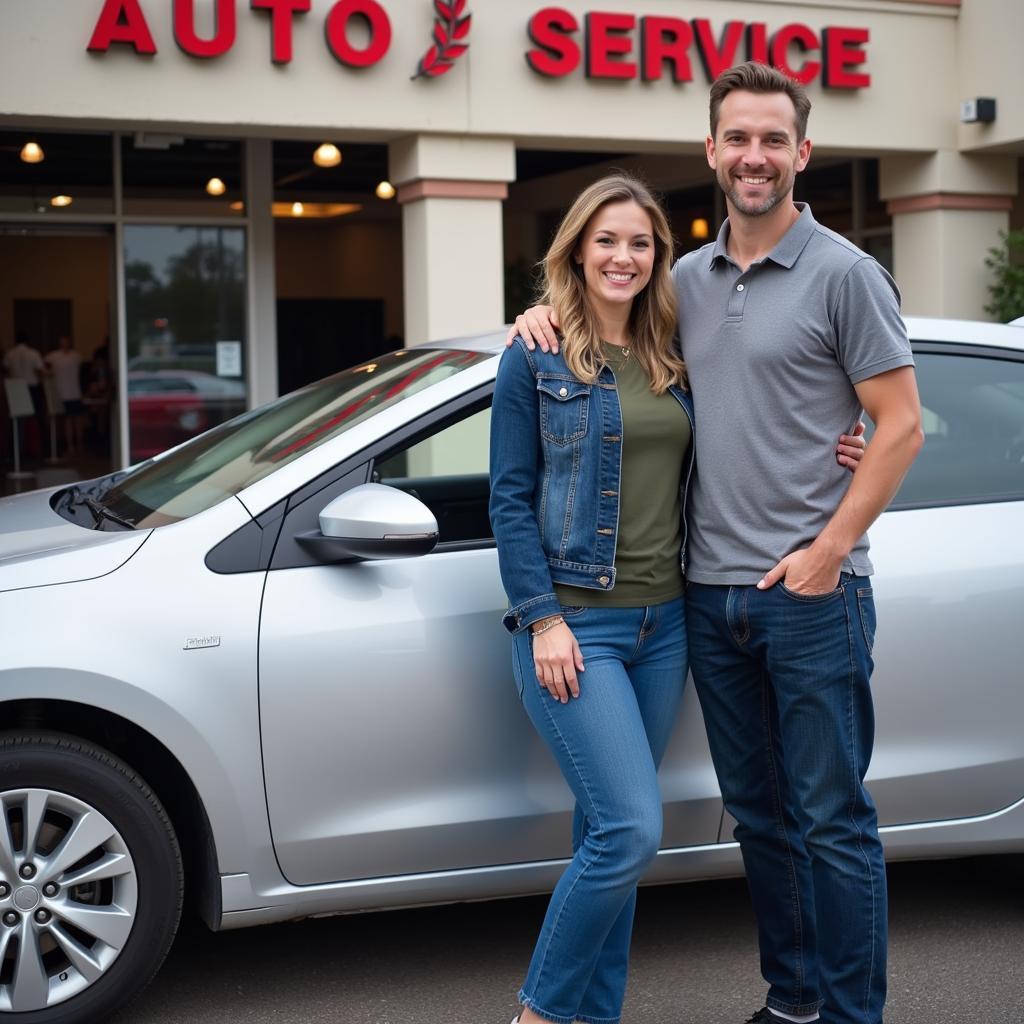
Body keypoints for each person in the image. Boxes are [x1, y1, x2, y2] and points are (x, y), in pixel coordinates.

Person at [509, 63, 921, 1024]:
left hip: (812, 594)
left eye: (774, 139)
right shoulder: (682, 281)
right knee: (765, 824)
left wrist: (830, 548)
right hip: (704, 598)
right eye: (738, 138)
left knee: (833, 822)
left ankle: (853, 1016)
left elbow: (899, 425)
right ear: (711, 150)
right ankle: (794, 1002)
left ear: (802, 153)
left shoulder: (847, 274)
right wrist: (537, 316)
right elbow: (601, 353)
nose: (755, 156)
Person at [2, 331, 47, 457]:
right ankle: (39, 449)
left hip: (15, 388)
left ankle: (16, 451)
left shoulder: (10, 354)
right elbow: (40, 370)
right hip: (31, 387)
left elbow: (6, 369)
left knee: (17, 421)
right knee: (37, 419)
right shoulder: (33, 353)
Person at [45, 334, 86, 457]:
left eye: (66, 341)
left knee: (77, 420)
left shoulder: (76, 356)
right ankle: (70, 446)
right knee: (67, 421)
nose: (65, 343)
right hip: (62, 393)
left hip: (75, 392)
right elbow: (43, 367)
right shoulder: (53, 356)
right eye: (62, 341)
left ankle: (80, 445)